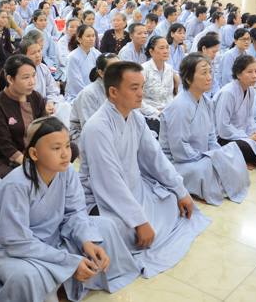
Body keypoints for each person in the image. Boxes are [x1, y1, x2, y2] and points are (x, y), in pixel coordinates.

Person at [0, 116, 139, 302]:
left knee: (106, 227)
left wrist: (86, 240)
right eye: (56, 148)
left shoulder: (67, 171)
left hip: (53, 235)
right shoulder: (15, 185)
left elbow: (76, 211)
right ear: (34, 153)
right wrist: (68, 262)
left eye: (67, 146)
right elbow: (16, 241)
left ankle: (69, 282)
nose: (65, 154)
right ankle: (61, 284)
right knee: (29, 276)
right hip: (14, 250)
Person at [78, 61, 210, 278]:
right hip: (103, 199)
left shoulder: (136, 118)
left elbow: (155, 158)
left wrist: (180, 190)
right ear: (113, 92)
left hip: (135, 188)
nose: (141, 93)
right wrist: (139, 221)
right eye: (134, 88)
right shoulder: (97, 128)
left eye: (142, 87)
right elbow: (109, 183)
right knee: (120, 229)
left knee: (170, 199)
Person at [159, 54, 250, 205]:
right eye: (203, 73)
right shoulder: (180, 107)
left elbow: (211, 137)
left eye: (210, 72)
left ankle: (216, 180)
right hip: (179, 161)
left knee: (231, 151)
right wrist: (206, 157)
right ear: (188, 79)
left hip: (201, 155)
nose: (209, 77)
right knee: (207, 167)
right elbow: (179, 148)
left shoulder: (206, 102)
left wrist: (217, 155)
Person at [0, 55, 49, 178]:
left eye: (33, 76)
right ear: (10, 79)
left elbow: (45, 131)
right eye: (26, 77)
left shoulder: (36, 98)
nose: (32, 82)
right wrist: (30, 165)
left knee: (69, 151)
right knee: (20, 177)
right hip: (3, 158)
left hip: (34, 153)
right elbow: (4, 144)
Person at [20, 36, 73, 128]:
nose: (38, 55)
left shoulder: (43, 68)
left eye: (39, 51)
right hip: (32, 109)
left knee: (65, 107)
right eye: (33, 53)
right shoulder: (21, 72)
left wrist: (50, 102)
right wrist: (43, 110)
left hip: (47, 104)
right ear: (24, 55)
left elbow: (52, 90)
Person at [69, 53, 119, 145]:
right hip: (85, 137)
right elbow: (90, 128)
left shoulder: (120, 90)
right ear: (101, 73)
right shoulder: (88, 94)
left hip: (112, 134)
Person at [140, 36, 179, 133]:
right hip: (148, 114)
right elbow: (137, 99)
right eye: (161, 48)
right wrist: (157, 113)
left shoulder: (169, 69)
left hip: (166, 113)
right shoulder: (143, 70)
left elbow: (169, 96)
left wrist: (169, 111)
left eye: (167, 48)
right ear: (151, 52)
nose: (166, 51)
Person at [65, 25, 101, 102]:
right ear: (79, 39)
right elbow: (76, 83)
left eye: (93, 36)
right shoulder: (72, 57)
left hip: (95, 92)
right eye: (88, 36)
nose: (92, 39)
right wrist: (90, 95)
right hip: (78, 95)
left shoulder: (96, 53)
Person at [55, 18, 80, 83]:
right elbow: (64, 60)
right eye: (72, 27)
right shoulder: (62, 42)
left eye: (77, 27)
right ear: (67, 29)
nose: (75, 29)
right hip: (64, 70)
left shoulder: (81, 40)